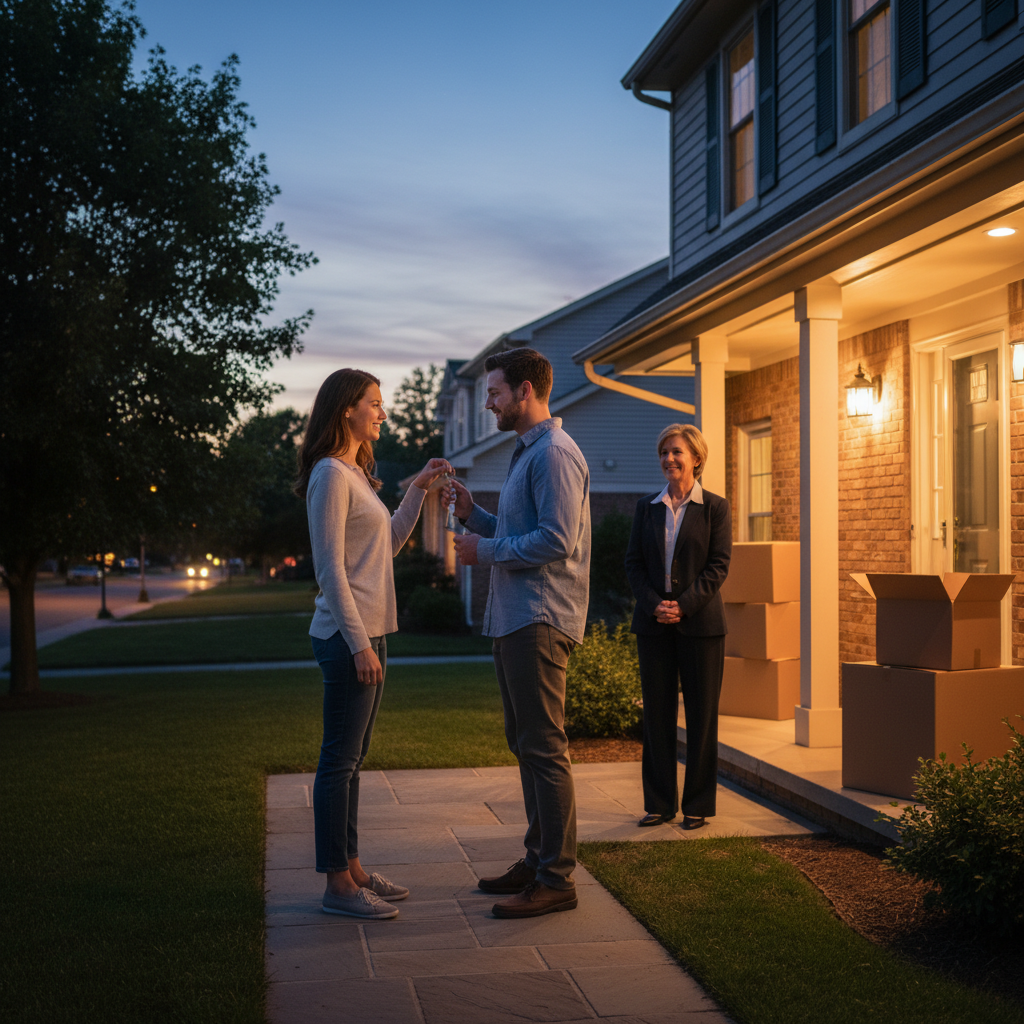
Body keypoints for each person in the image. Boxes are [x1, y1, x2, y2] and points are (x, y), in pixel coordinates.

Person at [295, 368, 452, 919]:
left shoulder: (355, 474)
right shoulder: (331, 476)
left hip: (368, 634)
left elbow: (385, 541)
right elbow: (330, 570)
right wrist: (359, 644)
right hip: (346, 637)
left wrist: (417, 489)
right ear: (347, 409)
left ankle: (353, 867)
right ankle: (337, 885)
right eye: (374, 402)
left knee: (352, 759)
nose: (383, 412)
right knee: (339, 760)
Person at [446, 347, 590, 918]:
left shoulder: (555, 453)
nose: (489, 403)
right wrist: (471, 515)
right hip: (514, 618)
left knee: (544, 748)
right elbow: (516, 530)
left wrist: (485, 551)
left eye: (496, 392)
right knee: (526, 745)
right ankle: (537, 861)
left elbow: (557, 540)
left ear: (526, 391)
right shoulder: (527, 452)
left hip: (540, 618)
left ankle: (557, 879)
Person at [625, 423, 730, 831]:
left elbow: (718, 566)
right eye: (664, 452)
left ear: (696, 459)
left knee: (702, 717)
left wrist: (682, 607)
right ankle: (660, 803)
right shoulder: (646, 507)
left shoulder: (715, 508)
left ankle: (698, 804)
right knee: (656, 716)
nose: (669, 458)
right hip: (653, 626)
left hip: (702, 626)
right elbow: (633, 564)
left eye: (677, 452)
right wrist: (657, 606)